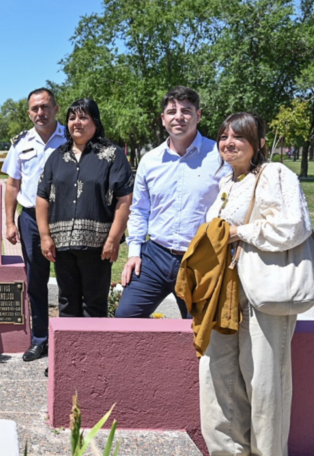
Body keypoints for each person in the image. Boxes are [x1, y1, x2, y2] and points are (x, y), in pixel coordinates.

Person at [199, 113, 310, 455]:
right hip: (225, 293)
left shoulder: (275, 174)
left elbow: (294, 225)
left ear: (259, 143)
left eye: (239, 136)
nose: (228, 142)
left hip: (265, 293)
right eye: (223, 136)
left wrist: (238, 233)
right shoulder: (226, 184)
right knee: (217, 378)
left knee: (265, 386)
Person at [116, 86, 228, 319]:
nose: (179, 117)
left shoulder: (218, 156)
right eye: (172, 111)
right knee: (125, 320)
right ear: (163, 119)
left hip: (200, 257)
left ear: (198, 115)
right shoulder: (150, 161)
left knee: (201, 332)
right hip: (155, 257)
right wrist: (134, 252)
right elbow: (139, 210)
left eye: (186, 111)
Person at [36, 98, 133, 317]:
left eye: (83, 117)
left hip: (98, 248)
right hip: (61, 246)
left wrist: (113, 238)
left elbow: (124, 199)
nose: (76, 122)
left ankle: (95, 351)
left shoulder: (112, 155)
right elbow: (42, 196)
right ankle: (69, 351)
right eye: (72, 118)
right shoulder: (56, 157)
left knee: (95, 302)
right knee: (66, 300)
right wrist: (45, 236)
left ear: (95, 122)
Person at [2, 87, 67, 361]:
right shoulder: (21, 142)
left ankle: (67, 340)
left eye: (45, 107)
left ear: (56, 109)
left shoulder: (72, 137)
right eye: (35, 109)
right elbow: (12, 184)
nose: (40, 113)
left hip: (66, 218)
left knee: (69, 280)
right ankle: (40, 340)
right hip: (29, 218)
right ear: (29, 113)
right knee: (36, 282)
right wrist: (9, 222)